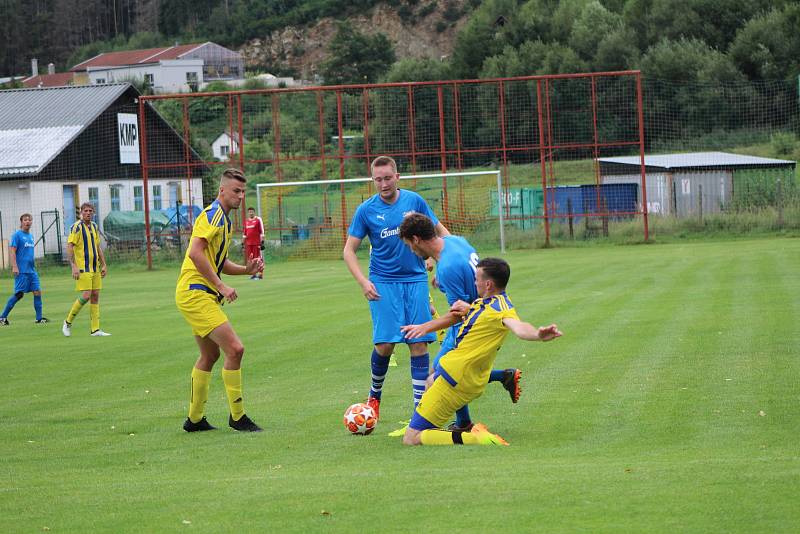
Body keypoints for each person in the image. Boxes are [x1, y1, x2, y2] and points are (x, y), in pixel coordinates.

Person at [401, 257, 562, 446]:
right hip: (458, 374)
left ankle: (475, 438)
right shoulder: (490, 302)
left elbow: (519, 327)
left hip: (455, 378)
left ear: (488, 283)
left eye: (476, 278)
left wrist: (537, 334)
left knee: (411, 438)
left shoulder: (500, 311)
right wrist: (427, 326)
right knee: (429, 381)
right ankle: (443, 427)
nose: (474, 282)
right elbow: (475, 317)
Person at [343, 155, 450, 420]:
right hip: (382, 283)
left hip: (414, 281)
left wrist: (450, 255)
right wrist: (363, 282)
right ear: (373, 180)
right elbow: (349, 251)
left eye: (387, 178)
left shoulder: (414, 201)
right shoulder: (366, 210)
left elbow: (439, 232)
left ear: (397, 176)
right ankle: (374, 397)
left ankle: (418, 411)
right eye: (378, 179)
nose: (383, 184)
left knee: (419, 344)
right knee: (385, 346)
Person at [398, 212, 521, 431]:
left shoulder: (448, 267)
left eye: (409, 244)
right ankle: (470, 414)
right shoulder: (455, 241)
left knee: (441, 374)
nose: (410, 249)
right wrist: (444, 281)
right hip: (485, 312)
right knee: (446, 371)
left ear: (416, 240)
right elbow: (473, 272)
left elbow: (458, 314)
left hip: (472, 325)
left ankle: (426, 429)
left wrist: (423, 327)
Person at [176, 168, 264, 433]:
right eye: (236, 191)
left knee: (210, 354)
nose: (240, 196)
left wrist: (246, 270)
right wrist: (221, 286)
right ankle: (237, 417)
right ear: (221, 191)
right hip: (195, 293)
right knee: (235, 349)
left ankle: (194, 419)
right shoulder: (213, 214)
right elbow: (195, 253)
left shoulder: (225, 221)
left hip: (199, 293)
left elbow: (218, 261)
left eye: (243, 192)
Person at [62, 203, 110, 337]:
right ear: (81, 213)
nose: (88, 213)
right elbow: (70, 246)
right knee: (86, 295)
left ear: (93, 213)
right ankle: (67, 322)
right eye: (85, 211)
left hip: (95, 268)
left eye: (90, 211)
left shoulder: (94, 226)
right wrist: (73, 266)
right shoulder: (76, 227)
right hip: (83, 267)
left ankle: (95, 329)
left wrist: (104, 264)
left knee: (95, 296)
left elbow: (98, 247)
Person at [0, 213, 48, 325]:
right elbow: (12, 251)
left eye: (29, 220)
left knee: (37, 291)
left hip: (32, 271)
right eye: (25, 220)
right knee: (19, 294)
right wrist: (15, 266)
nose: (27, 222)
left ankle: (39, 318)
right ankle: (2, 317)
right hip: (21, 271)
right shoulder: (17, 235)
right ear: (21, 222)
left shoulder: (30, 236)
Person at [243, 207, 265, 280]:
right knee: (251, 260)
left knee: (258, 258)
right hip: (249, 244)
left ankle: (261, 274)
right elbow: (245, 234)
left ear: (254, 212)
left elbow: (262, 232)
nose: (251, 213)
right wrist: (243, 244)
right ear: (248, 213)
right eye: (249, 212)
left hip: (256, 243)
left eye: (252, 212)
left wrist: (262, 242)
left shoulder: (258, 220)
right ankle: (254, 274)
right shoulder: (246, 222)